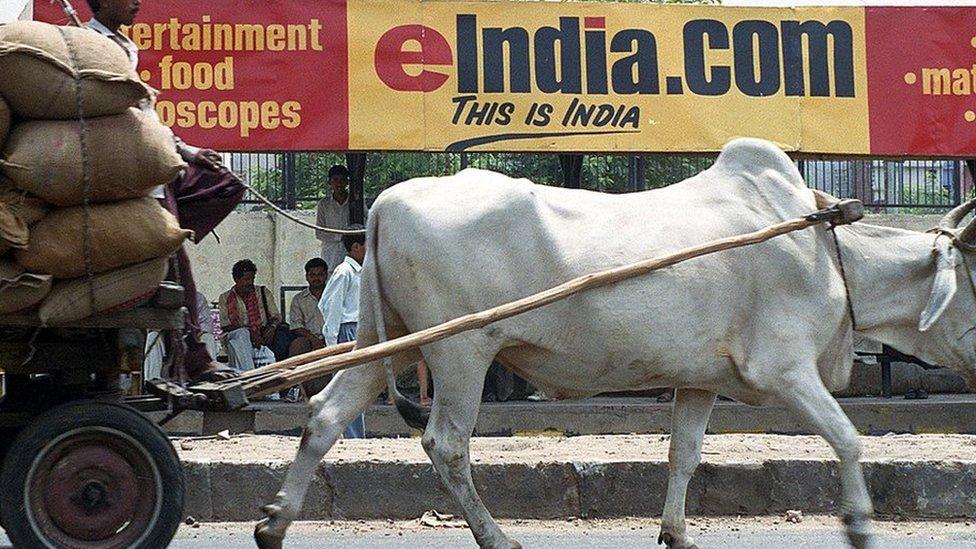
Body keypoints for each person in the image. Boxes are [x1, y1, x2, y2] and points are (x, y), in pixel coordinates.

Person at [85, 0, 240, 384]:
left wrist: (186, 150)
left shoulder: (122, 45)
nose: (138, 1)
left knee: (227, 184)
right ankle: (190, 358)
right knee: (178, 267)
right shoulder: (91, 46)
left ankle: (167, 235)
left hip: (155, 165)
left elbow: (146, 116)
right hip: (131, 172)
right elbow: (128, 117)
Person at [319, 225, 366, 437]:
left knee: (356, 388)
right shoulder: (344, 272)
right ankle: (350, 436)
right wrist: (333, 342)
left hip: (357, 330)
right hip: (345, 331)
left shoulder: (360, 271)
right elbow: (331, 306)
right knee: (348, 388)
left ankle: (355, 435)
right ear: (356, 247)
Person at [218, 260, 284, 372]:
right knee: (242, 334)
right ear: (236, 279)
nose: (250, 283)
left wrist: (272, 328)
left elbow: (276, 316)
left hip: (261, 338)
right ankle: (249, 377)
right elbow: (225, 326)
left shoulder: (262, 292)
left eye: (252, 279)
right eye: (246, 279)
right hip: (234, 338)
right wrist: (249, 333)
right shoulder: (225, 297)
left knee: (268, 357)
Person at [290, 258, 330, 396]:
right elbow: (296, 326)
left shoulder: (334, 294)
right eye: (312, 275)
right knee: (297, 345)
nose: (316, 278)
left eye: (320, 274)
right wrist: (314, 340)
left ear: (326, 275)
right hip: (309, 338)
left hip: (332, 337)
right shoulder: (299, 299)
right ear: (307, 276)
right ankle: (297, 388)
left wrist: (326, 339)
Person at [315, 165, 351, 276]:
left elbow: (366, 221)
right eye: (335, 180)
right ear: (329, 183)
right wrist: (340, 237)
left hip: (350, 255)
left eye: (342, 180)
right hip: (330, 256)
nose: (339, 184)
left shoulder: (355, 202)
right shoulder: (324, 204)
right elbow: (319, 233)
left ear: (347, 182)